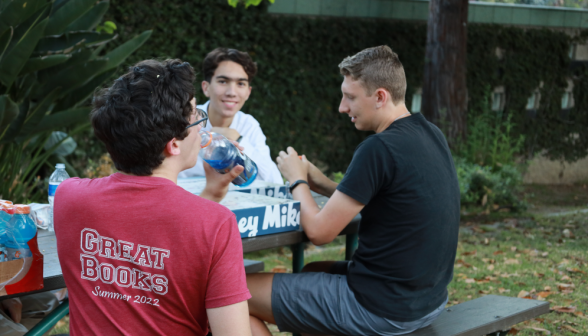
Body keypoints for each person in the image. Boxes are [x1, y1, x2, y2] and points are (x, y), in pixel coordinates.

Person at [247, 46, 460, 336]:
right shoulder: (429, 133)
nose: (342, 107)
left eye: (350, 97)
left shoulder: (378, 148)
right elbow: (380, 198)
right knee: (311, 271)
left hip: (381, 309)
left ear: (380, 97)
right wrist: (319, 182)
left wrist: (296, 179)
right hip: (426, 302)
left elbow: (321, 233)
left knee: (236, 291)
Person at [53, 59, 252, 336]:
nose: (203, 129)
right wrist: (211, 202)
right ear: (173, 144)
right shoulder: (217, 223)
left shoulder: (68, 197)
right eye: (196, 117)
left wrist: (211, 194)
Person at [178, 47, 283, 184]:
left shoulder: (248, 125)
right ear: (206, 88)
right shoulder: (186, 119)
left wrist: (237, 138)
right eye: (223, 81)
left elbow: (275, 181)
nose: (232, 92)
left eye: (240, 83)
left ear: (248, 92)